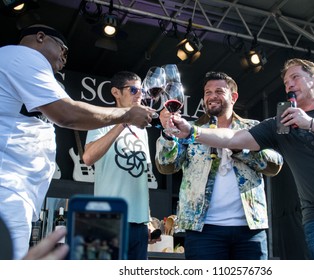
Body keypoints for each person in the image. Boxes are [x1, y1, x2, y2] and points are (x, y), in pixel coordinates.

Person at [169, 59, 314, 260]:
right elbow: (234, 137)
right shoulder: (281, 123)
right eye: (286, 82)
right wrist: (192, 132)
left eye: (295, 77)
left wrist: (310, 123)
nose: (289, 85)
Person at [0, 24, 155, 259]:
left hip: (18, 190)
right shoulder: (23, 56)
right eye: (62, 49)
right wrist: (125, 117)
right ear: (40, 38)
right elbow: (68, 116)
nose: (64, 57)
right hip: (8, 188)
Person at [156, 71, 283, 260]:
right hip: (203, 230)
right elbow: (166, 166)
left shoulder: (253, 128)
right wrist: (168, 134)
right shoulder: (189, 129)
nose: (211, 96)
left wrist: (240, 148)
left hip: (249, 230)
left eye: (218, 91)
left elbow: (274, 165)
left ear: (233, 97)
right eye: (207, 92)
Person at [82, 71, 160, 260]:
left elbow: (140, 181)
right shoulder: (102, 121)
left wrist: (148, 219)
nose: (139, 95)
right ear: (116, 92)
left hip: (139, 226)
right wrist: (123, 122)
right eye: (133, 89)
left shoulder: (143, 131)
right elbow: (88, 157)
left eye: (141, 90)